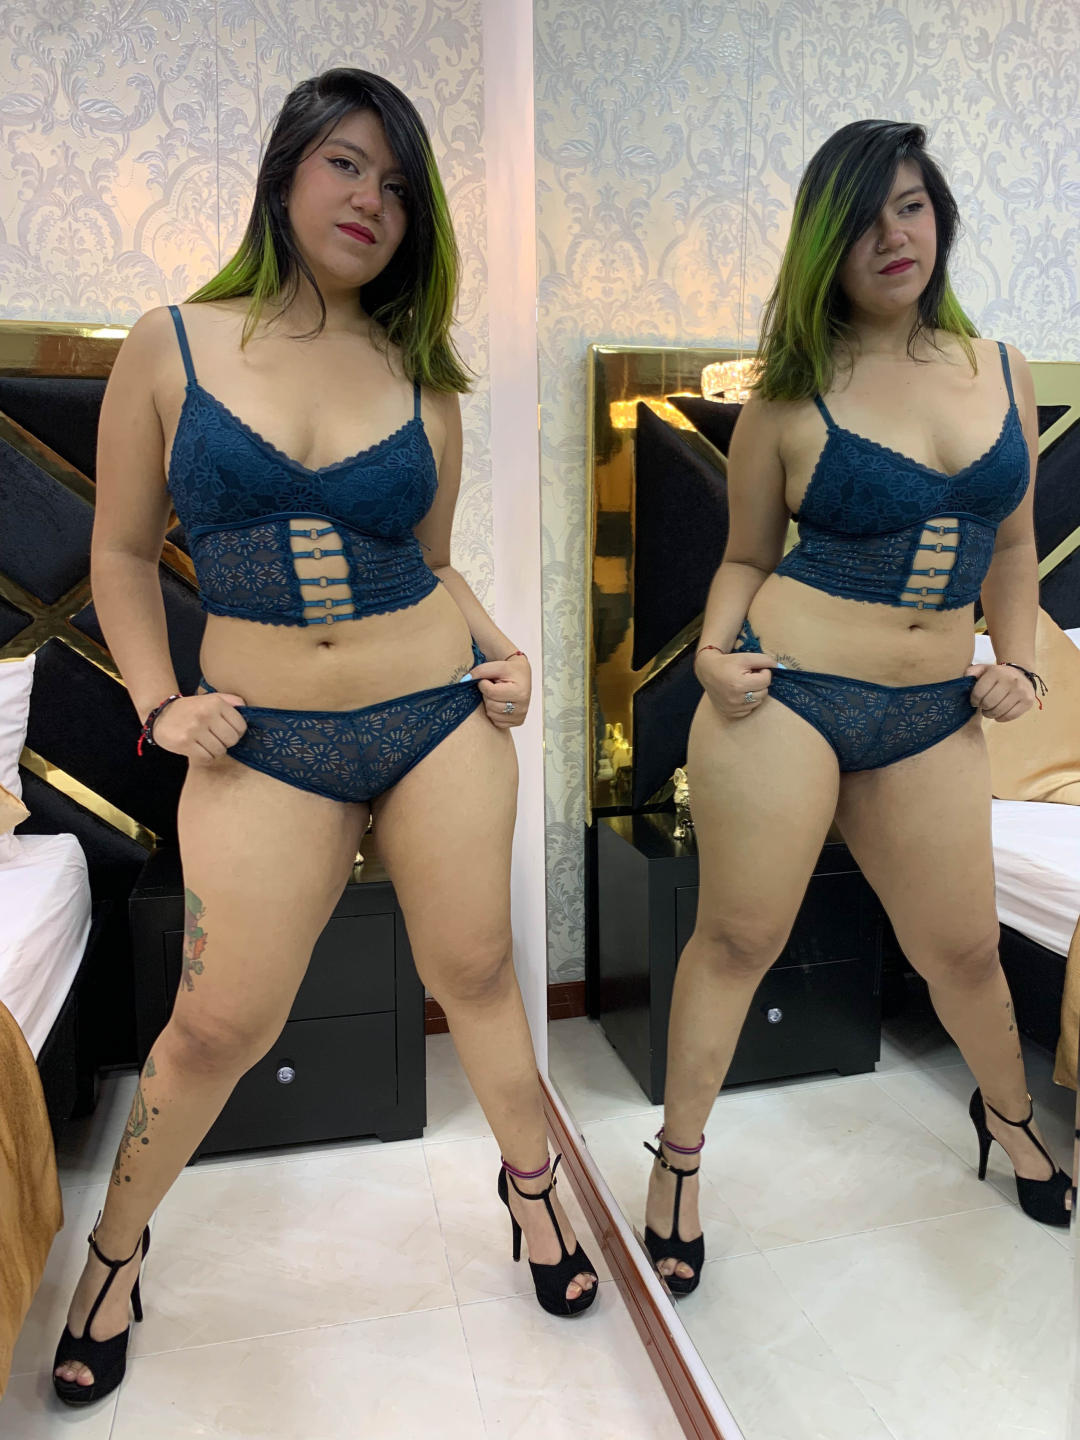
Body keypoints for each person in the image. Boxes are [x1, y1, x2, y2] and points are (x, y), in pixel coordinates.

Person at [53, 66, 597, 1406]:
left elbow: (433, 562)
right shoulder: (171, 343)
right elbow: (119, 554)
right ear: (287, 170)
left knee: (477, 970)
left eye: (398, 185)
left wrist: (503, 648)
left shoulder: (421, 376)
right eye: (347, 164)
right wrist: (157, 703)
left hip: (434, 718)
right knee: (216, 1024)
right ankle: (115, 1251)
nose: (371, 200)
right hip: (262, 741)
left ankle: (533, 1191)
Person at [643, 119, 1072, 1296]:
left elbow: (1016, 547)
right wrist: (711, 654)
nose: (894, 236)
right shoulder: (787, 399)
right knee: (740, 938)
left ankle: (1009, 1116)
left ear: (941, 219)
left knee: (963, 950)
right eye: (866, 218)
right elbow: (744, 558)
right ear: (825, 245)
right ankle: (677, 1162)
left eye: (912, 207)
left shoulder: (1003, 370)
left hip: (932, 709)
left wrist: (1021, 664)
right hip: (788, 694)